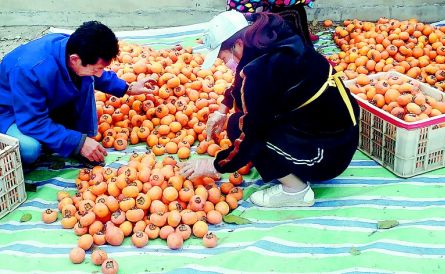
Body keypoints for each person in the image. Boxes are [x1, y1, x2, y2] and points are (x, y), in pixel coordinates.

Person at [179, 11, 360, 208]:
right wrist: (223, 109)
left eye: (223, 59)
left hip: (327, 156)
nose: (225, 65)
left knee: (245, 132)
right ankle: (288, 165)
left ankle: (295, 191)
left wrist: (216, 165)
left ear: (238, 44)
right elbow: (245, 75)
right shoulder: (273, 39)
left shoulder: (259, 72)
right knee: (236, 122)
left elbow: (252, 134)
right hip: (340, 136)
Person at [0, 21, 152, 166]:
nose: (99, 74)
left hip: (41, 102)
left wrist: (127, 88)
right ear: (75, 59)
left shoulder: (73, 48)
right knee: (30, 149)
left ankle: (69, 141)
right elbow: (32, 122)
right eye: (96, 69)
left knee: (86, 81)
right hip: (10, 111)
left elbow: (97, 74)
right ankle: (69, 143)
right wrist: (77, 142)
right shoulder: (29, 70)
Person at [226, 0, 319, 46]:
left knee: (290, 9)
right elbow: (282, 1)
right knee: (296, 11)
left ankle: (301, 35)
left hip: (245, 16)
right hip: (245, 24)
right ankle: (307, 49)